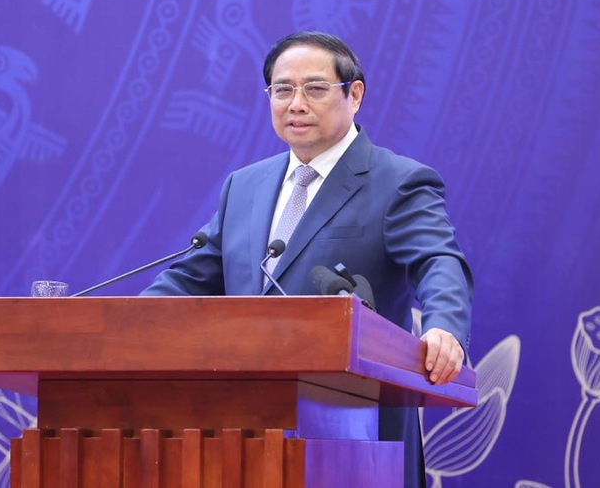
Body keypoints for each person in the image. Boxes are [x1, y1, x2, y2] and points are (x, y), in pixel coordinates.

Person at [142, 31, 473, 488]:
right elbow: (191, 277)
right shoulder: (245, 185)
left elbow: (439, 261)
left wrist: (445, 327)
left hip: (355, 430)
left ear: (354, 95)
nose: (296, 104)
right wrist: (127, 325)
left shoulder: (398, 181)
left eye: (315, 89)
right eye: (282, 90)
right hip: (244, 432)